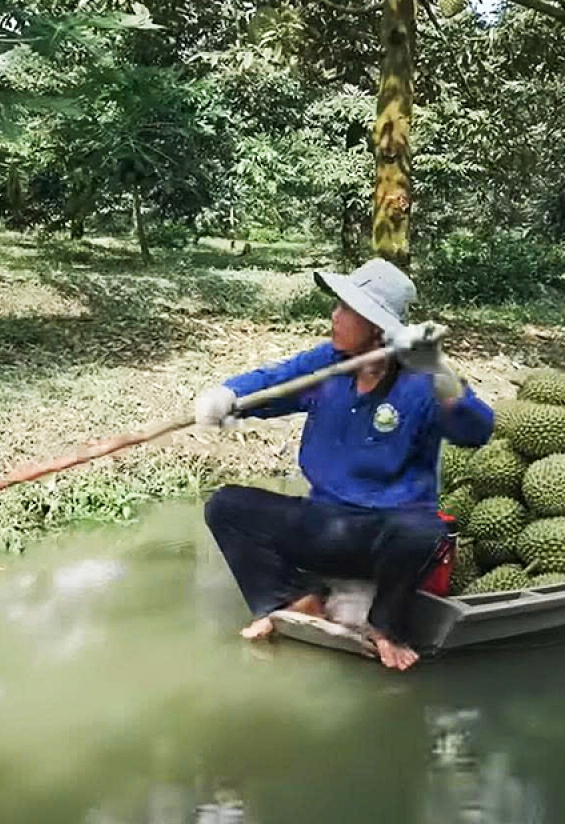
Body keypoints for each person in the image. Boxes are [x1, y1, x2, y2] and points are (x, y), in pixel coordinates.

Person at [193, 258, 495, 671]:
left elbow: (477, 429)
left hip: (383, 536)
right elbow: (273, 382)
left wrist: (441, 373)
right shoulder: (327, 365)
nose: (334, 316)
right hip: (324, 523)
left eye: (346, 309)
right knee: (226, 506)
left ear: (375, 325)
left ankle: (385, 625)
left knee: (424, 528)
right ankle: (297, 601)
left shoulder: (419, 381)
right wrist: (229, 397)